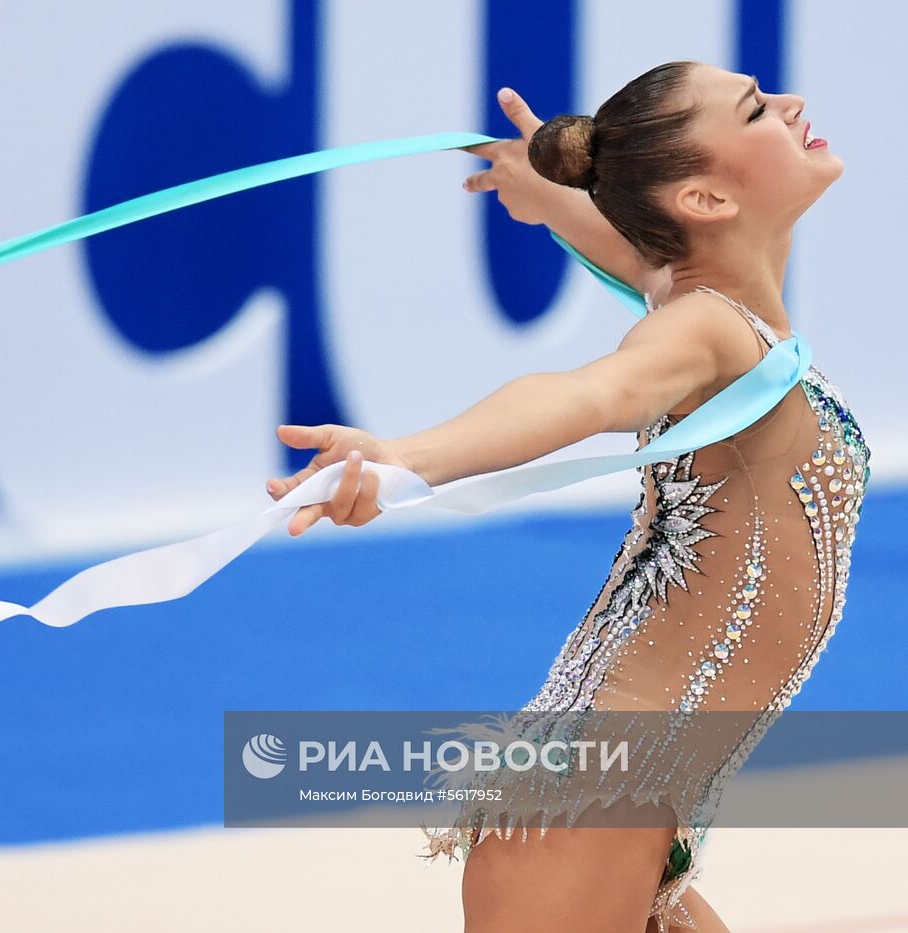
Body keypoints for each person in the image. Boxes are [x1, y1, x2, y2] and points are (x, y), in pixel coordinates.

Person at [265, 61, 869, 932]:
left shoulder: (703, 302)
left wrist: (551, 195)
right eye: (757, 110)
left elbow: (635, 249)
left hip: (636, 794)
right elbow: (586, 394)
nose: (792, 103)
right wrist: (407, 458)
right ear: (704, 198)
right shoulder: (702, 328)